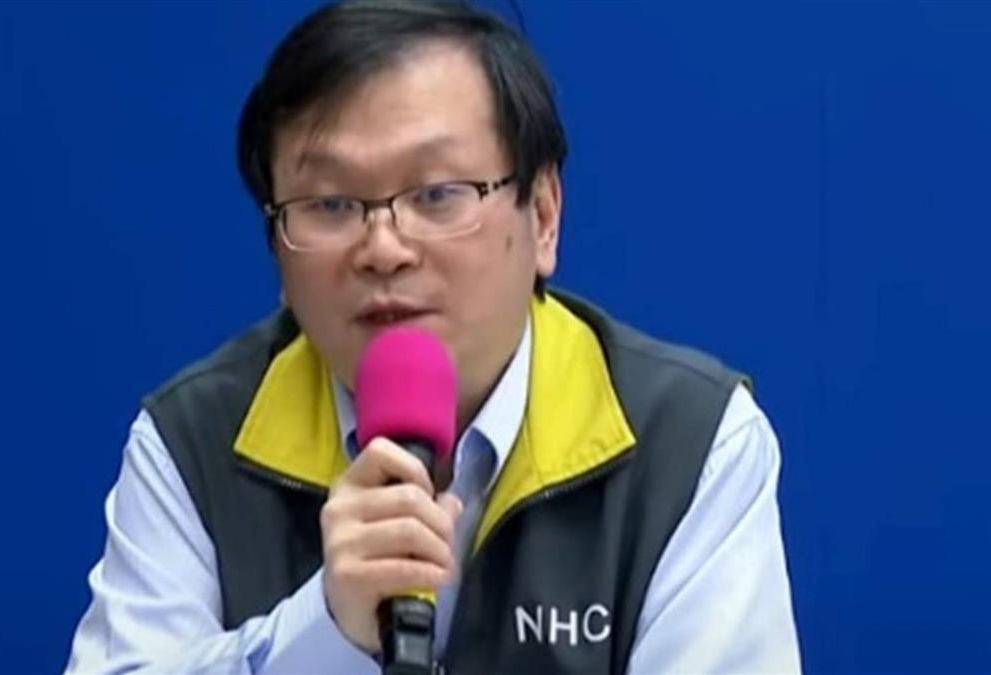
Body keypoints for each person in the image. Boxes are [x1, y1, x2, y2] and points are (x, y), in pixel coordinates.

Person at [65, 1, 801, 673]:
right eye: (330, 203)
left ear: (544, 217)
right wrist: (322, 632)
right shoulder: (194, 440)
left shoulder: (691, 445)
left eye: (438, 194)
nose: (383, 248)